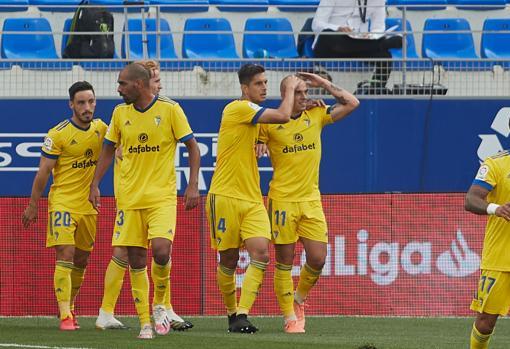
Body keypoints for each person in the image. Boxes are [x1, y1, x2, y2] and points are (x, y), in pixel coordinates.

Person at [89, 63, 200, 339]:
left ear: (138, 84)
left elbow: (193, 147)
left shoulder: (170, 110)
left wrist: (193, 184)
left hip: (161, 197)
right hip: (129, 199)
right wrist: (94, 183)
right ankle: (145, 323)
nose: (118, 89)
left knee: (162, 251)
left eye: (122, 84)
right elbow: (107, 149)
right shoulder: (119, 113)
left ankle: (161, 305)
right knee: (136, 259)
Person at [257, 73, 359, 333]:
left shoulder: (316, 115)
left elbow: (352, 103)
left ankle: (299, 299)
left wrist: (323, 84)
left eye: (305, 92)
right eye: (298, 92)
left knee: (318, 258)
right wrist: (259, 143)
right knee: (284, 261)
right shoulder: (269, 123)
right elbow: (254, 142)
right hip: (282, 200)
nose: (305, 97)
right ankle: (289, 316)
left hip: (311, 200)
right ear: (286, 94)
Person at [206, 63, 300, 333]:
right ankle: (231, 313)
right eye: (259, 83)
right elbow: (283, 116)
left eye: (266, 82)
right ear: (244, 88)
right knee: (229, 259)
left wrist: (260, 138)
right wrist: (290, 87)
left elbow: (262, 128)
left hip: (252, 199)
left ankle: (242, 314)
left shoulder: (252, 116)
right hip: (224, 195)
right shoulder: (238, 108)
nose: (264, 87)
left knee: (261, 253)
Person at [22, 81, 107, 331]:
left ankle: (71, 305)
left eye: (91, 102)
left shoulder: (102, 129)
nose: (87, 107)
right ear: (71, 104)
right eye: (81, 102)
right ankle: (65, 316)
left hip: (88, 205)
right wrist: (33, 205)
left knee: (81, 260)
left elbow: (120, 149)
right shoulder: (57, 134)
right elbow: (43, 173)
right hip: (62, 203)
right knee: (65, 253)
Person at [465, 149, 510, 349]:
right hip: (500, 257)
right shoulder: (495, 164)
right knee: (485, 323)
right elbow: (471, 199)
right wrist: (496, 209)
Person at [312, 0, 402, 94]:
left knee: (385, 56)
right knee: (327, 35)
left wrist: (371, 35)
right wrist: (338, 28)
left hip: (358, 44)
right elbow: (316, 24)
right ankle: (382, 44)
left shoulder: (378, 1)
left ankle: (374, 90)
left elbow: (378, 28)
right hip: (332, 46)